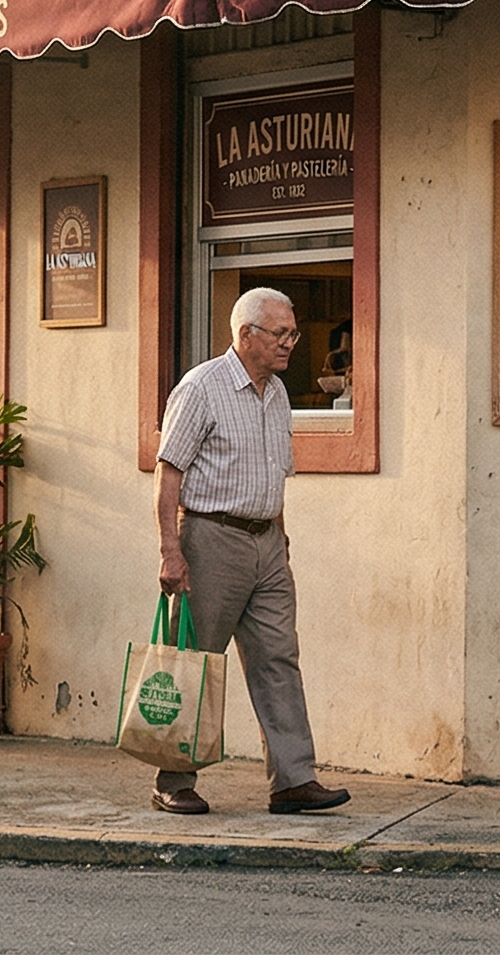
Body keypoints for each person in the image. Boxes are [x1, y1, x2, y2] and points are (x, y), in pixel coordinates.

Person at [151, 285, 351, 817]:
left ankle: (292, 780)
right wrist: (171, 550)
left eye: (293, 333)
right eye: (280, 334)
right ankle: (173, 778)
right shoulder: (201, 389)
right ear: (246, 335)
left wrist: (280, 541)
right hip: (212, 539)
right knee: (196, 659)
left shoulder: (278, 392)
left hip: (267, 543)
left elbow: (275, 474)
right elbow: (168, 472)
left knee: (278, 659)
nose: (290, 343)